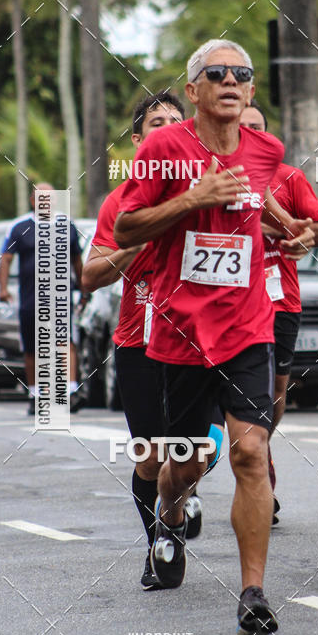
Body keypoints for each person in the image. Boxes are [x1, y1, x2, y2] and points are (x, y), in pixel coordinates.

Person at [114, 38, 314, 635]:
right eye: (217, 73)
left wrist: (292, 228)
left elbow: (260, 201)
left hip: (249, 326)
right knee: (187, 462)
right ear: (195, 89)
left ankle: (252, 593)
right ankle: (170, 521)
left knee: (250, 452)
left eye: (242, 75)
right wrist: (193, 197)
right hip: (180, 332)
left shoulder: (266, 150)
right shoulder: (162, 149)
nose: (231, 81)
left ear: (251, 92)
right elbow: (127, 224)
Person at [82, 90, 224, 590]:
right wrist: (141, 237)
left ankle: (176, 511)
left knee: (196, 453)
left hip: (199, 340)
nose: (167, 128)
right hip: (139, 342)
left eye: (175, 121)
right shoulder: (121, 202)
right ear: (140, 140)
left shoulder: (211, 190)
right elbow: (91, 274)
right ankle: (162, 544)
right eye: (155, 122)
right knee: (151, 455)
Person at [240, 101, 318, 523]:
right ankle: (252, 464)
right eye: (244, 128)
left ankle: (257, 449)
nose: (251, 135)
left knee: (275, 394)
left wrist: (306, 234)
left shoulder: (289, 177)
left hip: (281, 301)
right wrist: (276, 228)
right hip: (230, 300)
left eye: (258, 128)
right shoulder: (216, 174)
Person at [0, 184, 84, 413]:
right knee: (32, 347)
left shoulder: (67, 226)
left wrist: (85, 289)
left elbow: (77, 261)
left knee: (65, 342)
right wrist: (3, 289)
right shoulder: (20, 227)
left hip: (61, 297)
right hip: (30, 299)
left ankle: (70, 391)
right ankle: (36, 394)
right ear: (32, 201)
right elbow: (6, 259)